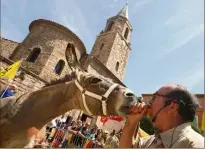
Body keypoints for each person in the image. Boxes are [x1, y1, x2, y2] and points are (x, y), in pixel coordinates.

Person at [119, 84, 204, 148]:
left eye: (154, 97)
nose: (149, 102)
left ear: (172, 106)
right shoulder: (151, 141)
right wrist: (131, 121)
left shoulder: (195, 145)